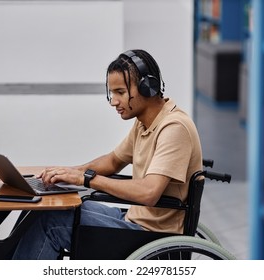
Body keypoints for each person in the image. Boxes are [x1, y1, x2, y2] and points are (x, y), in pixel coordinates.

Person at [12, 49, 203, 259]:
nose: (113, 101)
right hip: (133, 219)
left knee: (50, 222)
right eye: (112, 93)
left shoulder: (174, 128)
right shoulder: (145, 123)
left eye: (120, 92)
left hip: (152, 236)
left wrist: (86, 179)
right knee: (40, 209)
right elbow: (113, 161)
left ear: (147, 87)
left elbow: (149, 192)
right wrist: (69, 172)